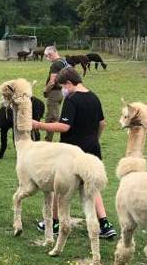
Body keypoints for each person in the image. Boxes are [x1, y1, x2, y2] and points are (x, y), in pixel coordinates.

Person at [31, 67, 117, 239]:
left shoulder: (72, 100)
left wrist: (39, 125)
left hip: (71, 152)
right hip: (92, 149)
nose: (63, 90)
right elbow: (102, 123)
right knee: (91, 186)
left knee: (60, 186)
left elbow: (64, 126)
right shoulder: (94, 97)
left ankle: (54, 222)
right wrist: (94, 139)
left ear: (69, 83)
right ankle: (105, 224)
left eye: (63, 86)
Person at [42, 45, 70, 141]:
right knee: (54, 116)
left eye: (47, 56)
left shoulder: (55, 64)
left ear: (50, 54)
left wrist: (45, 90)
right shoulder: (64, 62)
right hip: (62, 92)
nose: (47, 58)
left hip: (54, 93)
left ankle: (48, 141)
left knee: (51, 118)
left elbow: (52, 81)